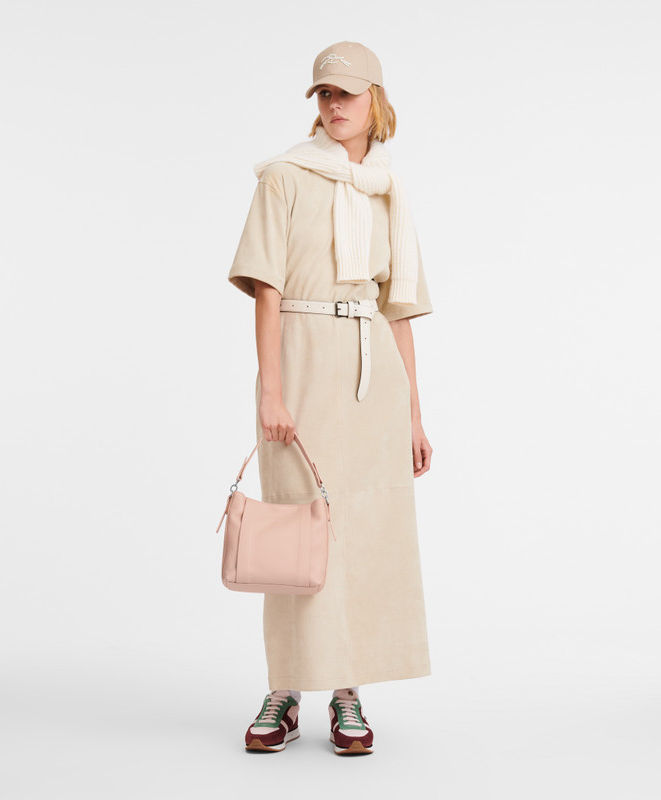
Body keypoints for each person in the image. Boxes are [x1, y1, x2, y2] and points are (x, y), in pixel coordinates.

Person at [227, 41, 434, 756]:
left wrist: (413, 413)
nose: (335, 104)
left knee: (362, 533)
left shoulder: (387, 188)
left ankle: (347, 690)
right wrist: (272, 390)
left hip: (373, 376)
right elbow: (267, 288)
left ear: (376, 98)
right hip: (303, 362)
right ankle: (285, 688)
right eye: (324, 93)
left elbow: (398, 307)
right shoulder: (285, 176)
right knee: (297, 527)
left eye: (347, 92)